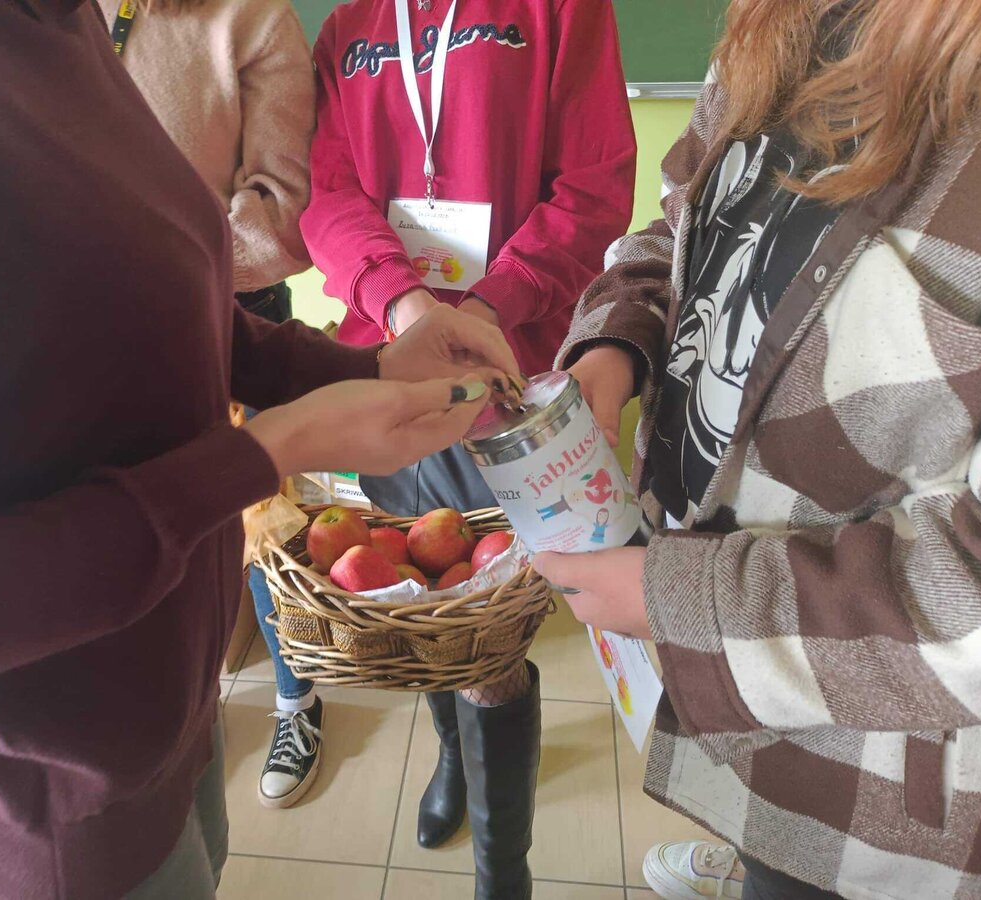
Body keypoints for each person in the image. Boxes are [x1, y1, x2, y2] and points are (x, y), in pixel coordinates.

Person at [0, 3, 523, 899]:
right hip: (51, 788)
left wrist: (370, 367)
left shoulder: (64, 23)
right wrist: (264, 453)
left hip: (165, 704)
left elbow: (148, 300)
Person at [533, 0, 981, 898]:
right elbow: (684, 225)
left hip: (875, 758)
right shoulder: (781, 26)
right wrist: (617, 336)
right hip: (718, 628)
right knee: (757, 837)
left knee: (797, 876)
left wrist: (678, 601)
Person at [300, 1, 636, 897]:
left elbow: (595, 185)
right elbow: (326, 192)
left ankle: (502, 870)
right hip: (387, 365)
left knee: (490, 638)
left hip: (508, 377)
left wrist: (487, 308)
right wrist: (406, 306)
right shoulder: (348, 26)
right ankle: (454, 754)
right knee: (421, 591)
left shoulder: (559, 10)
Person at [97, 0, 331, 810]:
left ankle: (298, 700)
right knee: (137, 525)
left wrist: (166, 274)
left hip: (227, 313)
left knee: (260, 522)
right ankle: (171, 715)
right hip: (85, 324)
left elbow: (283, 206)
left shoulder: (250, 15)